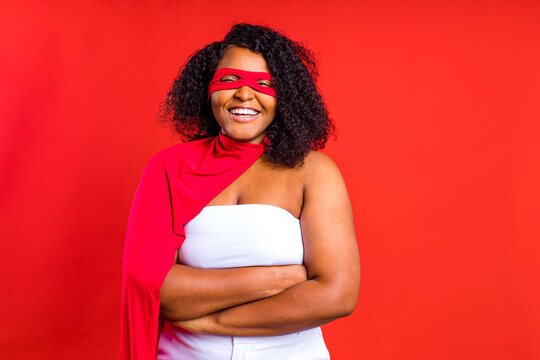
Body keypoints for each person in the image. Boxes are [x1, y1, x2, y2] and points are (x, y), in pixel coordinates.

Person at [120, 23, 360, 360]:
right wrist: (280, 278)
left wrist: (213, 321)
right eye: (230, 81)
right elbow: (151, 287)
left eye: (264, 84)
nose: (245, 95)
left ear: (285, 98)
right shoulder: (168, 168)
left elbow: (336, 296)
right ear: (207, 90)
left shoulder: (314, 171)